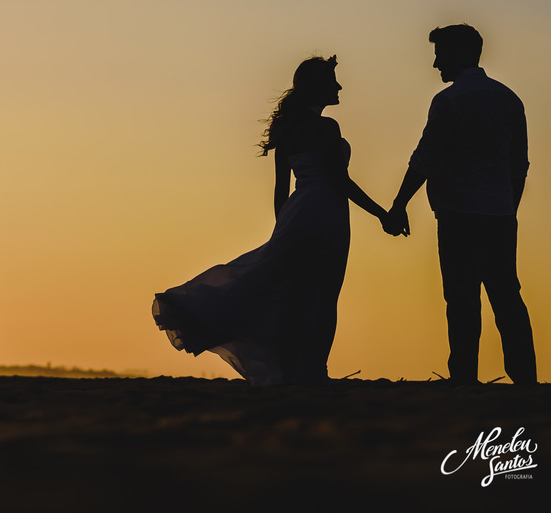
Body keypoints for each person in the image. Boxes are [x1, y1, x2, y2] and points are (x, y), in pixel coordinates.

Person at [152, 56, 389, 386]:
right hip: (326, 213)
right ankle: (313, 372)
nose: (339, 86)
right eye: (333, 81)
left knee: (291, 289)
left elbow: (281, 190)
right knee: (321, 292)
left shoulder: (288, 131)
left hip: (297, 212)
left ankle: (295, 370)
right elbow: (339, 180)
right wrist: (382, 214)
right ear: (317, 88)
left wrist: (282, 230)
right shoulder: (326, 128)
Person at [386, 24, 536, 385]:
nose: (436, 65)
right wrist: (508, 206)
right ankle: (525, 378)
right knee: (506, 295)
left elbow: (424, 157)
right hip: (499, 214)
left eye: (440, 56)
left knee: (461, 297)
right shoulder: (509, 99)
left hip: (458, 214)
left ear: (458, 55)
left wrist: (399, 203)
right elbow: (520, 164)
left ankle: (465, 377)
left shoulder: (450, 101)